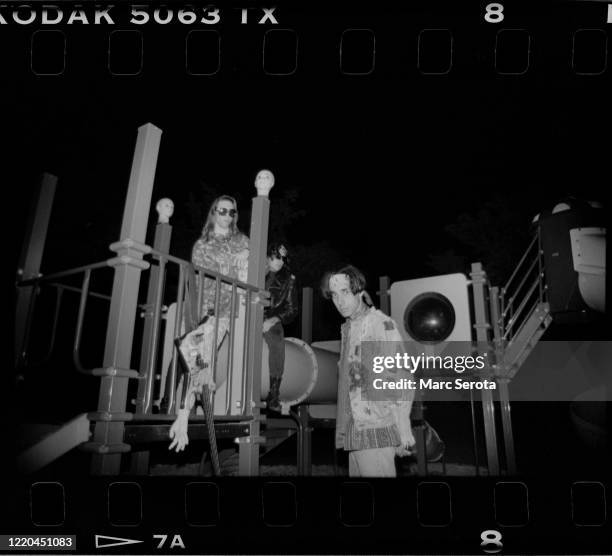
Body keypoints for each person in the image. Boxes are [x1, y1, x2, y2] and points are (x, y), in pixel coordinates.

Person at [169, 195, 249, 452]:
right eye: (222, 211)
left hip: (223, 312)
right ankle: (182, 410)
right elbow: (211, 275)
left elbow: (255, 266)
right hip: (200, 308)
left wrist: (247, 257)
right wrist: (236, 264)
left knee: (199, 357)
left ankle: (183, 412)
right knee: (192, 357)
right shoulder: (202, 245)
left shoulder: (242, 241)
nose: (227, 216)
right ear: (213, 213)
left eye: (232, 212)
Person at [321, 265, 415, 477]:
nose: (339, 301)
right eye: (334, 295)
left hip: (376, 428)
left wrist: (402, 426)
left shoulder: (379, 324)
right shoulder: (350, 328)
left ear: (359, 291)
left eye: (345, 292)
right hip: (355, 429)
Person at [263, 243, 298, 412]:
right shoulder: (252, 268)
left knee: (277, 343)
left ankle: (273, 393)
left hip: (271, 318)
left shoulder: (288, 279)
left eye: (283, 259)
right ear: (268, 255)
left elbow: (292, 309)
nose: (279, 261)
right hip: (246, 313)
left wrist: (274, 319)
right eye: (276, 257)